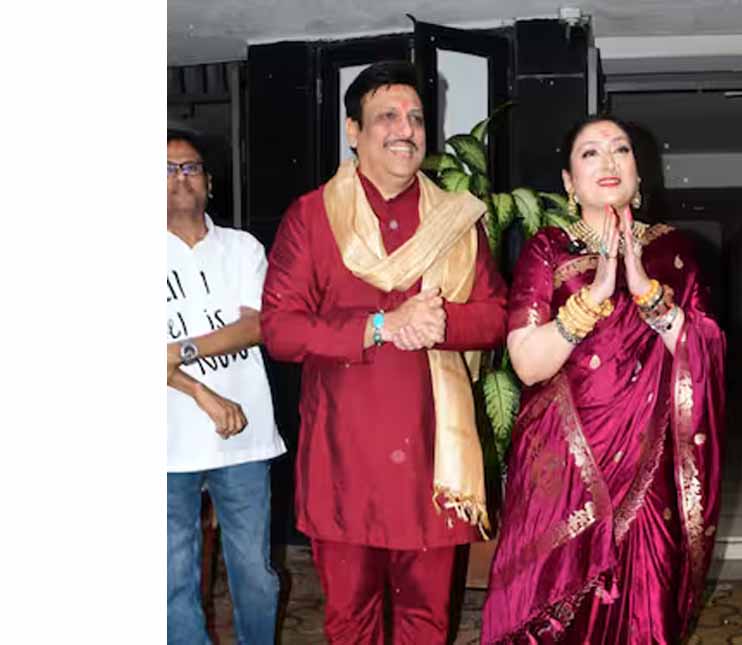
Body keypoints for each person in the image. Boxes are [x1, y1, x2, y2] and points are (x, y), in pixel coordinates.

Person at [259, 60, 508, 643]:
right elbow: (280, 329)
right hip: (345, 461)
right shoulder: (312, 217)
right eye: (387, 116)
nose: (406, 129)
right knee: (352, 621)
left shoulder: (456, 220)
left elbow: (497, 315)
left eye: (416, 118)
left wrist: (440, 322)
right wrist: (378, 326)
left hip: (433, 461)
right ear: (353, 130)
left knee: (428, 620)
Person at [481, 115, 726, 644]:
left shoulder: (676, 254)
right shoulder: (548, 249)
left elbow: (703, 351)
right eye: (590, 152)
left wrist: (645, 290)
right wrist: (594, 295)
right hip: (562, 469)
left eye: (621, 150)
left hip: (650, 471)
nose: (609, 161)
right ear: (569, 182)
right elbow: (527, 364)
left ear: (639, 173)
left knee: (646, 612)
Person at [166, 129, 286, 644]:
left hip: (244, 439)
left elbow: (257, 325)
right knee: (170, 581)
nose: (180, 178)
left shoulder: (241, 247)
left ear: (209, 183)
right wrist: (202, 393)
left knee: (255, 575)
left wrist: (181, 351)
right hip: (166, 445)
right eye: (166, 169)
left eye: (190, 167)